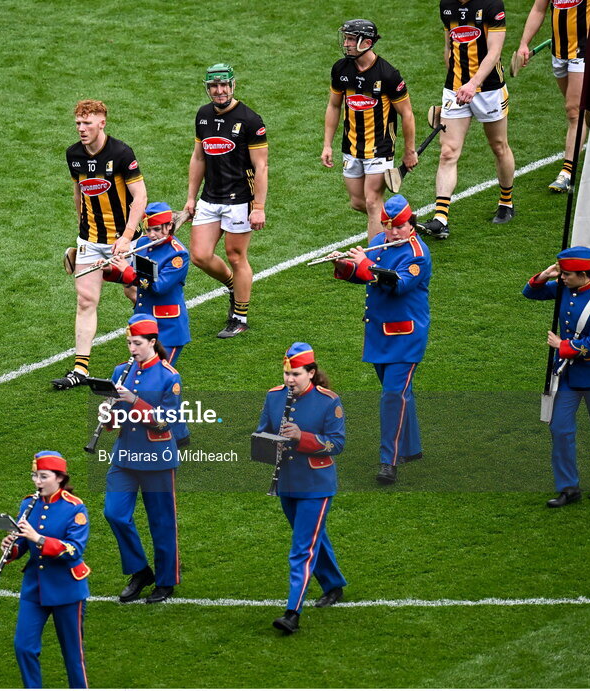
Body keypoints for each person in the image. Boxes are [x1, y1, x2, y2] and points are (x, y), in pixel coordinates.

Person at [328, 195, 431, 485]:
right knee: (398, 393)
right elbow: (364, 277)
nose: (393, 233)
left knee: (392, 397)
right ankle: (411, 449)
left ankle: (389, 461)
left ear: (411, 225)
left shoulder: (417, 254)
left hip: (406, 338)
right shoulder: (377, 242)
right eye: (389, 227)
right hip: (380, 335)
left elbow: (394, 284)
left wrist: (364, 265)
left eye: (399, 227)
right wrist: (344, 266)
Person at [54, 99, 148, 390]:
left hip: (126, 241)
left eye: (87, 123)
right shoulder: (74, 155)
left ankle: (157, 350)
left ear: (102, 123)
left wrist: (127, 235)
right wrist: (83, 231)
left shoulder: (121, 153)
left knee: (136, 294)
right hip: (91, 241)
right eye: (79, 124)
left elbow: (140, 197)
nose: (82, 129)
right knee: (85, 301)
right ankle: (80, 369)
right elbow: (78, 193)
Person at [256, 343, 348, 634]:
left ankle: (292, 612)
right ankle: (333, 584)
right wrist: (266, 442)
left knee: (300, 550)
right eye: (286, 374)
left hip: (316, 486)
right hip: (287, 482)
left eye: (295, 374)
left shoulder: (328, 401)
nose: (289, 380)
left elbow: (337, 443)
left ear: (311, 372)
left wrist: (301, 437)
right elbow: (262, 432)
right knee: (311, 538)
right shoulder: (274, 398)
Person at [522, 247, 590, 507]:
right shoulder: (565, 287)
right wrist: (546, 274)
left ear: (583, 274)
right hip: (568, 375)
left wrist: (561, 346)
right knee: (559, 428)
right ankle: (568, 488)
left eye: (566, 274)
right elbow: (530, 292)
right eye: (561, 274)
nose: (561, 278)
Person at [417, 0, 515, 239]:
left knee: (499, 146)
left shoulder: (492, 5)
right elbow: (449, 47)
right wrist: (454, 87)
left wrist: (473, 84)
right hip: (455, 89)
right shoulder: (446, 5)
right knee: (448, 151)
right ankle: (441, 218)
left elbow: (494, 52)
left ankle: (506, 202)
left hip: (489, 90)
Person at [184, 63, 268, 338]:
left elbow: (261, 167)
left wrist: (258, 207)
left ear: (233, 85)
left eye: (223, 85)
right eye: (213, 86)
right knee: (199, 255)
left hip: (239, 199)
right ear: (207, 88)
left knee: (235, 255)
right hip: (210, 197)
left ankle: (239, 316)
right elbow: (198, 158)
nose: (219, 91)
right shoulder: (203, 115)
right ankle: (234, 285)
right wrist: (190, 198)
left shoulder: (250, 120)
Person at [102, 315, 182, 604]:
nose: (132, 349)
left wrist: (134, 401)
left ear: (152, 342)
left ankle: (165, 580)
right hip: (125, 455)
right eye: (129, 343)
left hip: (157, 458)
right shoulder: (120, 371)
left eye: (137, 343)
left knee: (161, 521)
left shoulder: (168, 376)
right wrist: (108, 415)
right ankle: (139, 569)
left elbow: (167, 421)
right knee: (114, 513)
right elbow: (115, 421)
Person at [323, 19, 418, 240]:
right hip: (351, 147)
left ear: (366, 43)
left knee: (372, 202)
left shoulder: (388, 75)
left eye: (349, 39)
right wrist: (327, 144)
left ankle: (375, 260)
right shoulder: (340, 69)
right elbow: (334, 106)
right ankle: (403, 222)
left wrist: (409, 151)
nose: (345, 43)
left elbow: (407, 114)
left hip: (380, 149)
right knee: (357, 203)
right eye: (345, 38)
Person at [2, 451, 91, 689]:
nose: (37, 482)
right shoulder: (28, 503)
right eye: (35, 476)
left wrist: (39, 538)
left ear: (60, 478)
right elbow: (21, 545)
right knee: (24, 647)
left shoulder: (75, 508)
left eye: (43, 476)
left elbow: (74, 550)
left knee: (73, 656)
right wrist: (10, 548)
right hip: (35, 586)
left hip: (67, 589)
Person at [104, 202, 191, 443]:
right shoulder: (143, 243)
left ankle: (168, 433)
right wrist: (107, 271)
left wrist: (131, 275)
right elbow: (129, 275)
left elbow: (159, 287)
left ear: (169, 227)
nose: (151, 234)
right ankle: (180, 434)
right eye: (148, 229)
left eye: (156, 230)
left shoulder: (178, 255)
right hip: (144, 324)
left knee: (157, 382)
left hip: (168, 329)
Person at [515, 0, 590, 192]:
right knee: (584, 110)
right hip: (559, 53)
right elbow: (539, 9)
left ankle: (567, 172)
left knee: (574, 111)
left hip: (584, 52)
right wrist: (524, 43)